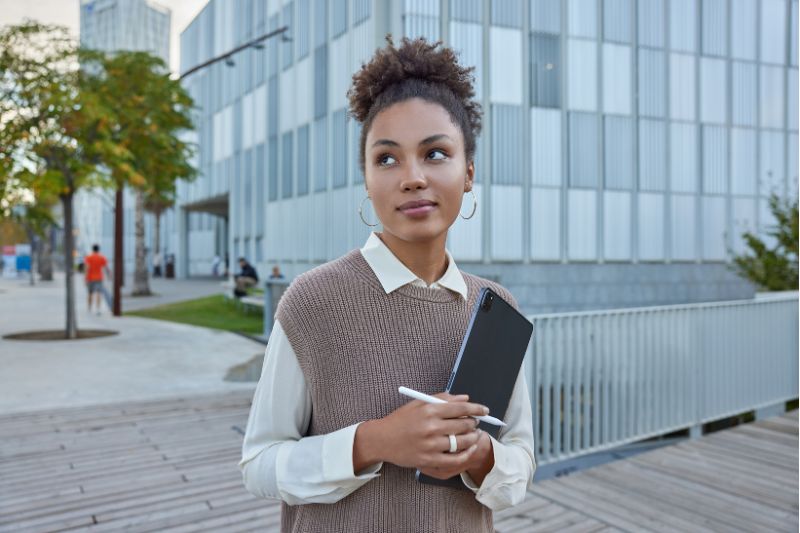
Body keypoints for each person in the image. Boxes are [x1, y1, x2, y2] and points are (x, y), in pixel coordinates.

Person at [238, 37, 535, 532]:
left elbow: (519, 464)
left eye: (435, 153)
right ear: (367, 179)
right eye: (388, 159)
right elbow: (259, 465)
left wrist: (481, 456)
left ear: (468, 173)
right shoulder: (313, 301)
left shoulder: (495, 307)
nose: (413, 177)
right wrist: (373, 442)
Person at [84, 244, 111, 315]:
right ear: (98, 250)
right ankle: (98, 309)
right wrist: (109, 275)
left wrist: (85, 278)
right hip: (99, 278)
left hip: (90, 278)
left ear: (92, 249)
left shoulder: (89, 257)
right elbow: (106, 268)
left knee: (90, 293)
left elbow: (87, 268)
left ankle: (89, 308)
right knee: (98, 293)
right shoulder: (102, 257)